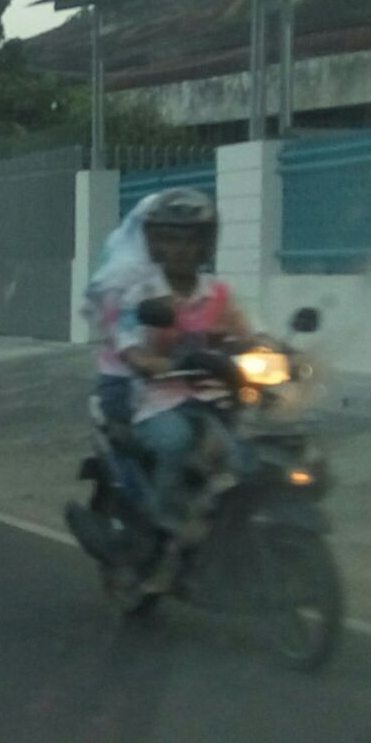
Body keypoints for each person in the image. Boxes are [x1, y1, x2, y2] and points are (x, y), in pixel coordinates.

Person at [115, 188, 253, 591]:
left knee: (247, 458)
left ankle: (225, 534)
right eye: (170, 239)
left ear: (205, 243)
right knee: (176, 443)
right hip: (158, 401)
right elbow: (129, 347)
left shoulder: (219, 294)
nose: (180, 249)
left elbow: (251, 333)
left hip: (212, 398)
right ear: (155, 243)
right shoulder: (141, 295)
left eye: (190, 239)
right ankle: (167, 527)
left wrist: (280, 352)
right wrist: (160, 364)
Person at [81, 192, 166, 426]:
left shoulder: (178, 270)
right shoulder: (121, 275)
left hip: (174, 371)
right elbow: (117, 329)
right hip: (125, 374)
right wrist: (142, 358)